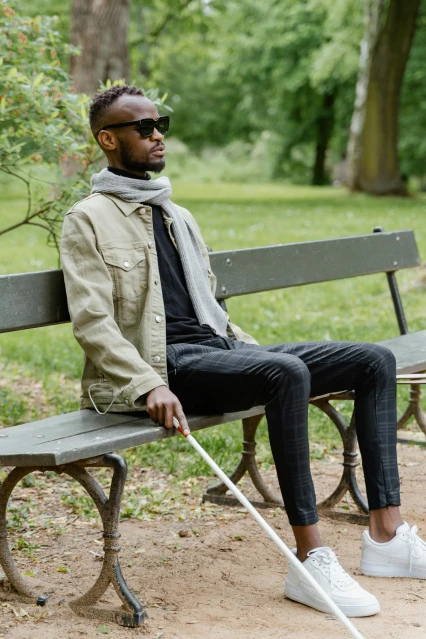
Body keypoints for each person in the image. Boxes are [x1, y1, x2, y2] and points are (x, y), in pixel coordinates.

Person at [60, 84, 426, 618]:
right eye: (143, 128)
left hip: (215, 350)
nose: (157, 133)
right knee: (284, 373)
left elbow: (209, 309)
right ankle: (311, 559)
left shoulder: (176, 214)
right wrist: (147, 384)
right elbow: (92, 323)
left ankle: (387, 537)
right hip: (165, 366)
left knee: (374, 360)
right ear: (108, 139)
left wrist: (245, 353)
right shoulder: (87, 219)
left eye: (161, 123)